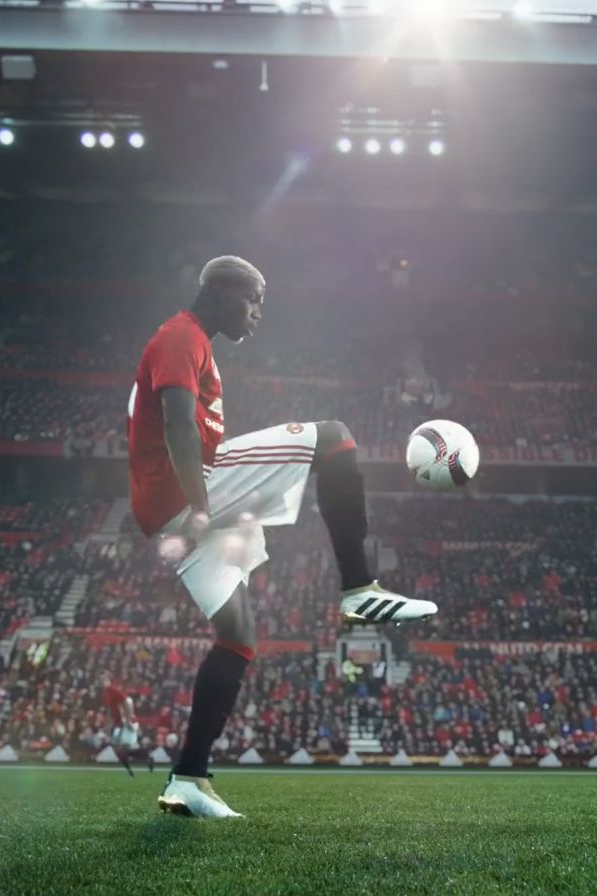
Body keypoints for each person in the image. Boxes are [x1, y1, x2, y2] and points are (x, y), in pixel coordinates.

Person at [127, 256, 437, 819]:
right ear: (220, 291)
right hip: (188, 493)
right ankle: (359, 587)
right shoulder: (182, 336)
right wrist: (200, 506)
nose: (258, 313)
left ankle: (188, 778)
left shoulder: (192, 340)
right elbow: (175, 425)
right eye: (254, 299)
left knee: (238, 635)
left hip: (172, 505)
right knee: (336, 438)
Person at [101, 672, 151, 777]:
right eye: (102, 680)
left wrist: (128, 720)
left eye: (105, 679)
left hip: (126, 723)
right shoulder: (105, 694)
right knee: (119, 749)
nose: (103, 682)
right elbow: (110, 711)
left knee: (124, 748)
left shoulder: (114, 691)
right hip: (119, 724)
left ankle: (145, 759)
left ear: (109, 680)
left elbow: (127, 703)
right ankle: (136, 766)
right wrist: (107, 725)